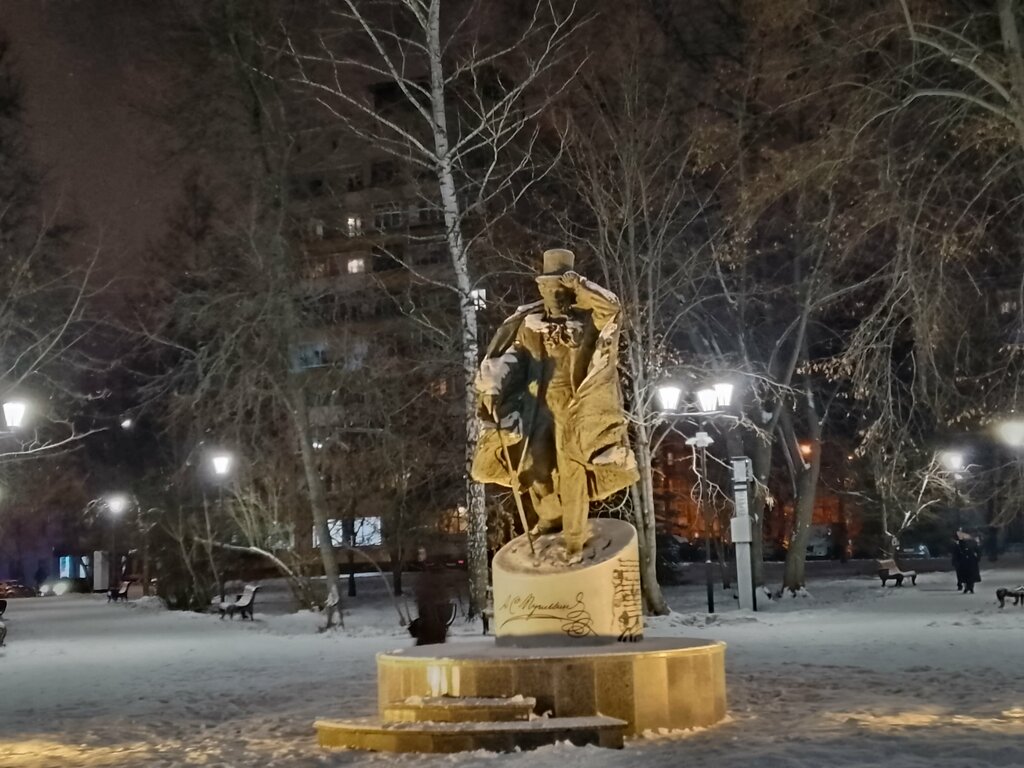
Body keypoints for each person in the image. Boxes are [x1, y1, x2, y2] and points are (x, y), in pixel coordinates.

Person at [471, 249, 638, 561]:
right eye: (550, 289)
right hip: (537, 409)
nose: (556, 297)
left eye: (562, 290)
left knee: (572, 471)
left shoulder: (586, 322)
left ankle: (574, 537)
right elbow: (513, 359)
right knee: (534, 468)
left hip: (574, 410)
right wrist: (494, 388)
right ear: (541, 289)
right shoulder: (529, 325)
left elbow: (612, 309)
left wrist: (582, 285)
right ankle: (549, 518)